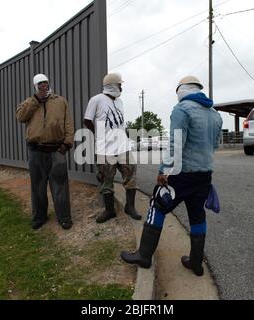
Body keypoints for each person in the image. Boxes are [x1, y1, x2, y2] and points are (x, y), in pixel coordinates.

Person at [121, 76, 223, 276]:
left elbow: (176, 144)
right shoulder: (215, 115)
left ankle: (143, 255)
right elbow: (215, 145)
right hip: (204, 175)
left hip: (181, 174)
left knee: (156, 206)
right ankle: (195, 263)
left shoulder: (182, 109)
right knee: (197, 215)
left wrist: (163, 171)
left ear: (181, 90)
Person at [16, 74, 75, 230]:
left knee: (60, 186)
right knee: (38, 186)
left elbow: (68, 124)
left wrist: (67, 144)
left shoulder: (60, 101)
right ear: (35, 86)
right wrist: (36, 100)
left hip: (57, 150)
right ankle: (39, 217)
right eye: (40, 84)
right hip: (36, 151)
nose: (44, 86)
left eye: (45, 83)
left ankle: (64, 217)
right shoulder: (30, 102)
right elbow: (20, 117)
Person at [84, 73, 142, 224]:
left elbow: (120, 123)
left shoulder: (120, 101)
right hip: (105, 149)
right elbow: (87, 120)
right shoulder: (96, 100)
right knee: (105, 180)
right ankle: (109, 210)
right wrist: (99, 133)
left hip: (123, 147)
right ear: (113, 85)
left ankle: (130, 207)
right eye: (120, 84)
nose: (121, 87)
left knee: (131, 176)